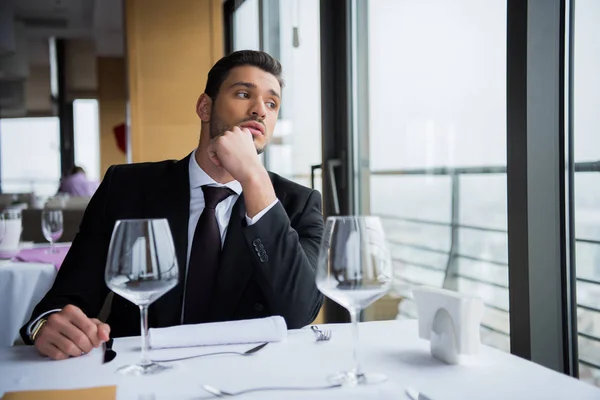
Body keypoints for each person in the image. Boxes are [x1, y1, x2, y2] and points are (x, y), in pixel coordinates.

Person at [21, 50, 324, 360]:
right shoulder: (126, 187)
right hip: (140, 372)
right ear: (205, 107)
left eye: (272, 104)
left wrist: (254, 180)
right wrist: (46, 326)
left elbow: (299, 311)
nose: (260, 109)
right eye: (244, 93)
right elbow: (65, 299)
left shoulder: (298, 204)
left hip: (246, 377)